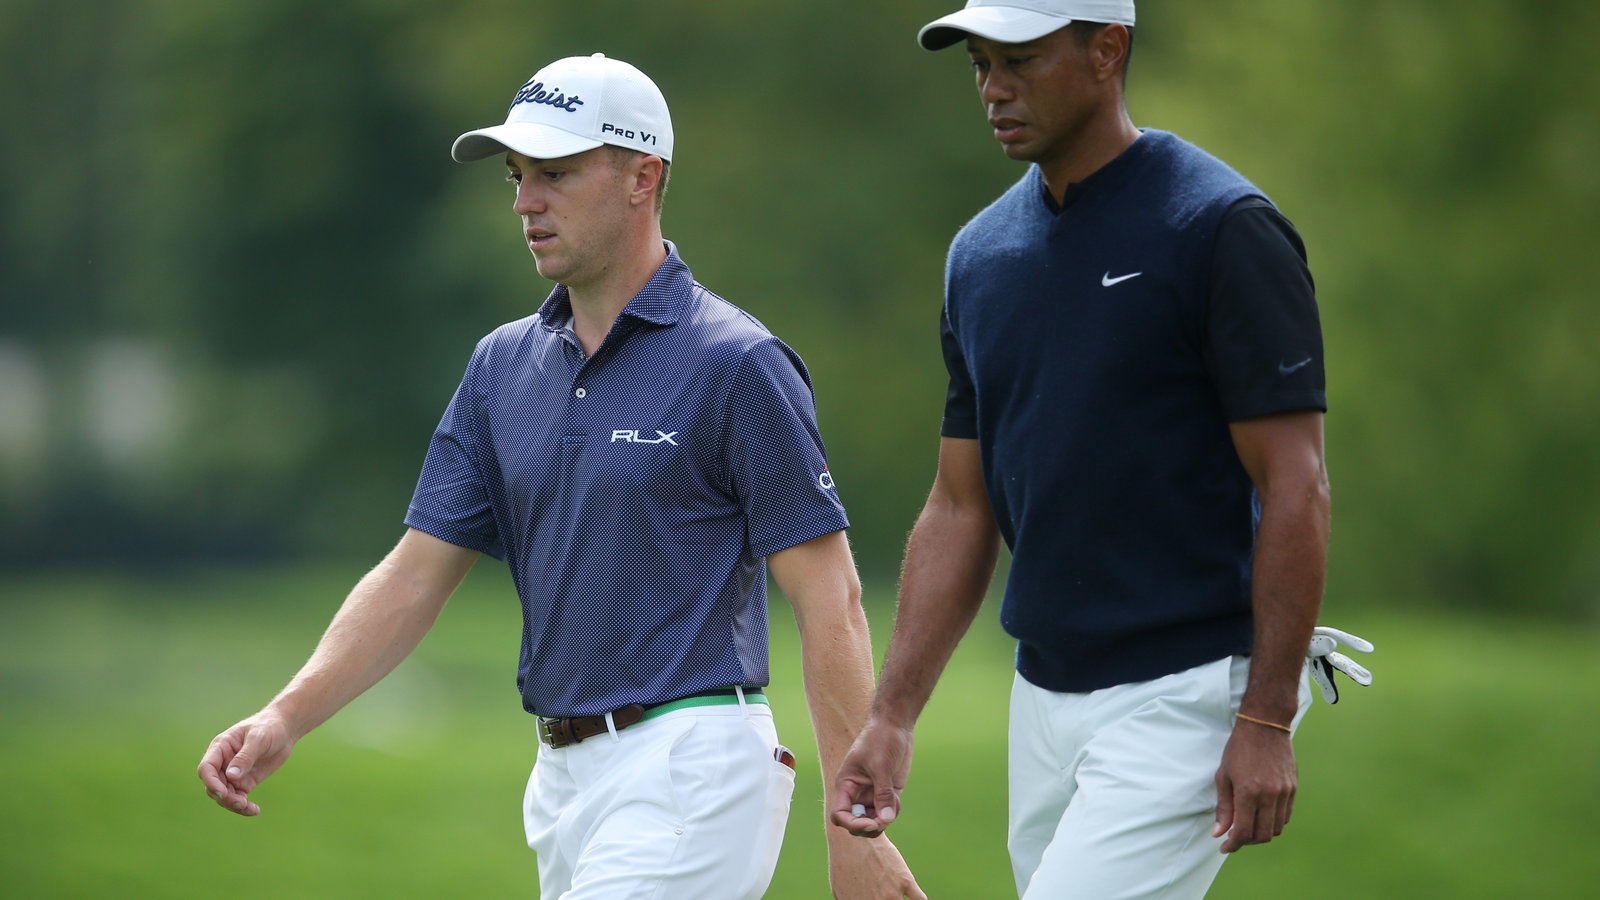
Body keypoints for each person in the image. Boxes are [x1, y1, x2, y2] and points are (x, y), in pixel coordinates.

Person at [198, 53, 923, 900]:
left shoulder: (737, 364)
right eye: (516, 176)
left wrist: (855, 835)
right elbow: (413, 576)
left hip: (693, 765)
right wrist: (287, 714)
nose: (523, 202)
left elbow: (829, 599)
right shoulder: (502, 367)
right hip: (560, 787)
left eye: (554, 174)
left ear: (641, 178)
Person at [830, 2, 1368, 897]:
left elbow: (1295, 483)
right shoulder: (980, 256)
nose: (994, 90)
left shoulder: (1222, 228)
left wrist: (1265, 717)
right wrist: (893, 714)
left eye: (1022, 61)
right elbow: (962, 505)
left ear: (1107, 49)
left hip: (1188, 692)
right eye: (980, 66)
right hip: (1041, 695)